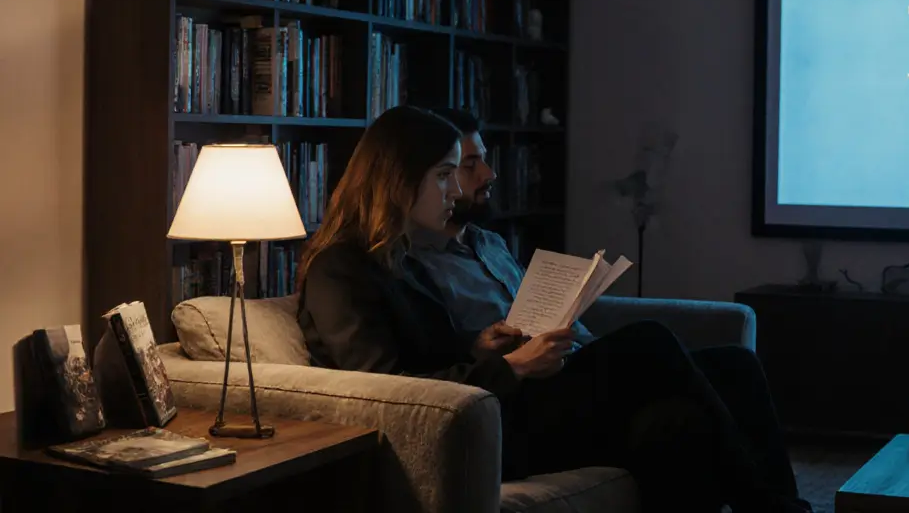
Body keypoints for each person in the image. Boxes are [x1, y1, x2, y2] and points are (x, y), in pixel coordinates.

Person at [297, 106, 809, 513]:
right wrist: (511, 367)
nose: (456, 189)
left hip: (494, 403)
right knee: (649, 341)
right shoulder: (341, 269)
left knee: (694, 402)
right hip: (477, 428)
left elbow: (433, 352)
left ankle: (784, 507)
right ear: (398, 178)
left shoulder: (399, 259)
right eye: (445, 175)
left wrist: (480, 346)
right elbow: (388, 390)